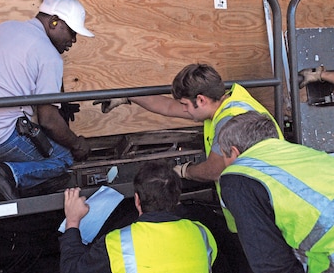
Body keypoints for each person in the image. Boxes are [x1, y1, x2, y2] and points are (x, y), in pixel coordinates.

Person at [94, 63, 283, 232]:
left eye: (185, 104)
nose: (182, 109)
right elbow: (167, 107)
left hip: (265, 212)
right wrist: (129, 97)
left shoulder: (230, 120)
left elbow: (214, 170)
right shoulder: (226, 102)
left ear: (201, 100)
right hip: (263, 204)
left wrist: (184, 171)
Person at [0, 0, 94, 200]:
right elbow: (49, 121)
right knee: (63, 158)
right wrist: (77, 144)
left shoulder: (4, 28)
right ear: (54, 22)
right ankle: (8, 174)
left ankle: (8, 176)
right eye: (72, 31)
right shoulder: (48, 55)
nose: (73, 40)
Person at [217, 111, 334, 273]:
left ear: (234, 152)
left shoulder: (238, 177)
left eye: (223, 156)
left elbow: (269, 260)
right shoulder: (304, 154)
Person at [59, 160, 218, 273]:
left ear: (136, 200)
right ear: (177, 199)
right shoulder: (201, 233)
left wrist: (73, 220)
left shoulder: (117, 243)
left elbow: (72, 268)